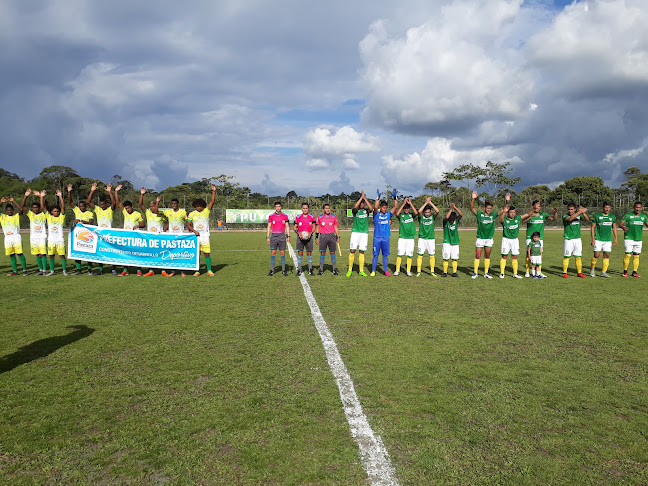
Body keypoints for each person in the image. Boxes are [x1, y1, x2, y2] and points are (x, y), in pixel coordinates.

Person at [521, 200, 558, 278]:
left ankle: (539, 272)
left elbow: (554, 219)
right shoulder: (529, 214)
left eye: (539, 206)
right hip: (529, 237)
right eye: (537, 205)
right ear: (533, 206)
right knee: (528, 254)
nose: (538, 207)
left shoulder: (543, 214)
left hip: (540, 239)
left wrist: (555, 213)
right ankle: (527, 272)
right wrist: (531, 216)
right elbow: (523, 222)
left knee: (539, 254)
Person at [87, 182, 117, 275]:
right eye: (100, 204)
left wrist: (110, 192)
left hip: (109, 234)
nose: (101, 206)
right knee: (99, 252)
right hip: (99, 234)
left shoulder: (110, 210)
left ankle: (114, 269)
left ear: (106, 204)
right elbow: (88, 202)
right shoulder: (97, 210)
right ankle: (101, 269)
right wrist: (92, 191)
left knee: (111, 252)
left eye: (103, 204)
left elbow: (114, 203)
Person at [186, 184, 217, 277]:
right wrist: (194, 231)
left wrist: (213, 191)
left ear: (203, 206)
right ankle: (197, 271)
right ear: (195, 206)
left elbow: (212, 202)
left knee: (206, 253)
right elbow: (188, 224)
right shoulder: (191, 214)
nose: (199, 207)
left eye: (200, 206)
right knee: (197, 254)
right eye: (197, 206)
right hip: (196, 236)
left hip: (205, 236)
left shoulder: (206, 211)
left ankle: (209, 270)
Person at [115, 185, 145, 276]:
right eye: (126, 208)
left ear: (132, 206)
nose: (127, 210)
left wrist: (137, 225)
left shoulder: (138, 214)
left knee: (136, 253)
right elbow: (118, 202)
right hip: (126, 237)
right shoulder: (125, 212)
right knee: (125, 254)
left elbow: (143, 224)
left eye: (128, 208)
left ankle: (138, 270)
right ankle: (125, 270)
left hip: (135, 237)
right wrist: (116, 192)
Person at [67, 184, 95, 275]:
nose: (81, 207)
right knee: (76, 251)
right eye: (80, 206)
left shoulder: (89, 213)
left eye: (83, 206)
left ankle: (89, 269)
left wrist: (81, 221)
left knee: (88, 252)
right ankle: (79, 269)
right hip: (77, 234)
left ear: (85, 206)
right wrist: (69, 192)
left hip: (87, 235)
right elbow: (70, 202)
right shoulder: (77, 211)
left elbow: (91, 223)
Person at [371, 194, 398, 276]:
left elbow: (395, 207)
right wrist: (377, 198)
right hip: (377, 238)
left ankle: (385, 271)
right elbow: (375, 208)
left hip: (385, 238)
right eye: (383, 208)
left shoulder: (388, 214)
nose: (385, 209)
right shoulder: (376, 214)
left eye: (386, 208)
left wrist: (395, 198)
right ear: (380, 208)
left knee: (385, 255)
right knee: (375, 255)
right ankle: (373, 271)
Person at [470, 191, 496, 279]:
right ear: (484, 208)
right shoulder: (479, 214)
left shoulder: (493, 215)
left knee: (487, 255)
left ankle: (486, 273)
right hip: (480, 238)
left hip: (489, 239)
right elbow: (471, 208)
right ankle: (475, 273)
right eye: (488, 208)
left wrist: (507, 201)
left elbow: (504, 210)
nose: (489, 210)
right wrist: (473, 199)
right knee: (478, 255)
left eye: (490, 208)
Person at [22, 189, 48, 275]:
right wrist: (25, 196)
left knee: (43, 254)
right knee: (37, 254)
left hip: (42, 237)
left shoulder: (43, 214)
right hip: (33, 238)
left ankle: (44, 270)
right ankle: (40, 270)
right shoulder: (30, 214)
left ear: (39, 208)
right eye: (33, 208)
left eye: (36, 207)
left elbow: (43, 206)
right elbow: (22, 206)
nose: (35, 209)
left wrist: (40, 197)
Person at [138, 188, 164, 277]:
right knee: (150, 253)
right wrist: (142, 194)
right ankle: (151, 270)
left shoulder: (160, 213)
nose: (152, 207)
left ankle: (163, 270)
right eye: (151, 206)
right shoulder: (148, 212)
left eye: (153, 206)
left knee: (161, 253)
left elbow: (167, 221)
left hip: (159, 237)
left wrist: (164, 230)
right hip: (150, 237)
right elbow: (140, 204)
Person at [0, 196, 28, 275]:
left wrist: (14, 201)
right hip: (8, 238)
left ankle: (25, 270)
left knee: (19, 253)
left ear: (13, 210)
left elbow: (21, 209)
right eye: (8, 210)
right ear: (6, 211)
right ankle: (15, 271)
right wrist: (1, 202)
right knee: (11, 255)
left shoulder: (16, 216)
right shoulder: (3, 217)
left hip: (16, 237)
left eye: (11, 210)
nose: (9, 211)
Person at [43, 190, 69, 276]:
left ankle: (64, 271)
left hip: (60, 240)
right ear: (51, 212)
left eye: (57, 211)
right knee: (51, 256)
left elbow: (63, 207)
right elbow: (43, 207)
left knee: (62, 256)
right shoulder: (48, 217)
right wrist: (41, 197)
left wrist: (60, 196)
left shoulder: (61, 217)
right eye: (55, 211)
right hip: (51, 241)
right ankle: (52, 271)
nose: (57, 212)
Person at [619, 201, 648, 277]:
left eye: (639, 207)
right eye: (636, 207)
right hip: (629, 238)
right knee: (628, 255)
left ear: (641, 208)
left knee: (636, 255)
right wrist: (623, 227)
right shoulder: (628, 215)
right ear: (634, 208)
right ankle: (625, 271)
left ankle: (634, 272)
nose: (638, 209)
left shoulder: (644, 217)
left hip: (638, 238)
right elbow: (620, 224)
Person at [347, 190, 372, 277]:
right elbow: (354, 207)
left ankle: (361, 270)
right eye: (361, 203)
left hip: (364, 233)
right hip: (355, 233)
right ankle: (350, 270)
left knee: (362, 252)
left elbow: (371, 209)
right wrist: (361, 197)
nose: (362, 204)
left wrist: (365, 198)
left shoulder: (366, 211)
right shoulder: (355, 211)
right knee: (352, 250)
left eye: (363, 203)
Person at [590, 201, 617, 278]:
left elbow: (614, 227)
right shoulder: (597, 216)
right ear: (602, 208)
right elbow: (592, 227)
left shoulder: (612, 217)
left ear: (610, 208)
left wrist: (616, 238)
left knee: (607, 256)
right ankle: (592, 269)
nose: (607, 209)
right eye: (606, 207)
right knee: (596, 255)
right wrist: (593, 239)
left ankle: (603, 272)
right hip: (598, 239)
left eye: (609, 207)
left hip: (608, 240)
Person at [161, 198, 188, 277]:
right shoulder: (168, 212)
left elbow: (188, 221)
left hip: (180, 236)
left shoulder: (183, 212)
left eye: (175, 204)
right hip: (171, 236)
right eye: (172, 204)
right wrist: (157, 202)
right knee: (172, 253)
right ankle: (173, 271)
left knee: (180, 253)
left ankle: (183, 271)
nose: (173, 205)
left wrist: (190, 230)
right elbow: (156, 211)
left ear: (178, 204)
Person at [499, 194, 523, 279]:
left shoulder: (518, 219)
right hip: (506, 239)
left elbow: (527, 214)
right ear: (508, 213)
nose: (513, 214)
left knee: (514, 256)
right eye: (511, 212)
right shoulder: (505, 219)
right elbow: (500, 220)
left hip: (515, 240)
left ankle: (515, 273)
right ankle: (502, 273)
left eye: (514, 212)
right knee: (504, 256)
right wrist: (507, 203)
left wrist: (534, 210)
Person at [562, 203, 589, 278]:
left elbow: (587, 219)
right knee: (567, 256)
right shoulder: (565, 216)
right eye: (569, 209)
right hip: (568, 239)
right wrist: (579, 212)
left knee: (578, 256)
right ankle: (565, 273)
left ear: (575, 209)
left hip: (577, 239)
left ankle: (579, 272)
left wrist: (583, 212)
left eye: (572, 209)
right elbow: (570, 219)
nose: (570, 211)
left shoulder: (579, 215)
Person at [416, 197, 439, 277]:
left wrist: (430, 202)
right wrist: (426, 203)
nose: (427, 214)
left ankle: (432, 271)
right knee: (420, 255)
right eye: (426, 212)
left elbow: (437, 211)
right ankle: (418, 271)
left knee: (432, 255)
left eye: (428, 212)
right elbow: (419, 211)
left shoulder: (432, 217)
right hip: (422, 239)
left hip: (431, 239)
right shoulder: (421, 217)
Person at [394, 197, 418, 276]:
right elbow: (397, 214)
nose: (406, 210)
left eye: (408, 208)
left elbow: (416, 213)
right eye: (405, 208)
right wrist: (403, 203)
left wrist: (410, 204)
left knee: (409, 255)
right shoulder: (401, 215)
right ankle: (397, 270)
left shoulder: (411, 215)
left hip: (410, 238)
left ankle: (408, 271)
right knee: (400, 254)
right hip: (402, 238)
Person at [266, 201, 290, 276]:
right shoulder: (271, 216)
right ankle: (272, 270)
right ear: (274, 208)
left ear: (281, 207)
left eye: (279, 206)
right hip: (274, 236)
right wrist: (267, 237)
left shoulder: (285, 216)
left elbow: (287, 226)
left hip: (282, 236)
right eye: (276, 206)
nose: (278, 208)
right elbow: (269, 227)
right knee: (273, 253)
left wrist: (288, 236)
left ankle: (283, 270)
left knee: (282, 253)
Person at [316, 203, 340, 275]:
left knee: (332, 252)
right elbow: (317, 228)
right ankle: (321, 270)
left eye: (328, 208)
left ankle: (334, 269)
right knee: (322, 253)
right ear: (323, 209)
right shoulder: (319, 217)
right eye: (326, 208)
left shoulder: (333, 217)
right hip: (323, 236)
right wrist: (316, 238)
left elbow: (336, 227)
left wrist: (338, 236)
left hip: (331, 236)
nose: (327, 209)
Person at [294, 202, 317, 276]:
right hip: (300, 238)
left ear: (308, 209)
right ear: (301, 209)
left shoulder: (312, 217)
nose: (305, 209)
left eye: (306, 208)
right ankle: (299, 270)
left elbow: (314, 227)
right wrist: (299, 233)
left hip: (309, 238)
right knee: (300, 253)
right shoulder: (298, 217)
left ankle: (310, 270)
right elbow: (294, 227)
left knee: (309, 253)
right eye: (303, 208)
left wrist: (310, 233)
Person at [441, 203, 463, 277]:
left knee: (455, 258)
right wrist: (451, 209)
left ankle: (454, 272)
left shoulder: (456, 221)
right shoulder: (446, 222)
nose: (452, 221)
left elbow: (461, 214)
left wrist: (455, 207)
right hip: (447, 242)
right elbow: (446, 217)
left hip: (455, 242)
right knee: (446, 258)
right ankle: (445, 272)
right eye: (451, 219)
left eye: (453, 220)